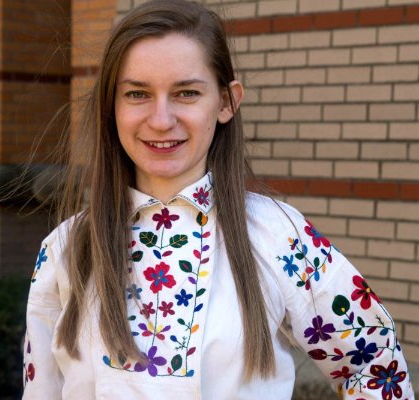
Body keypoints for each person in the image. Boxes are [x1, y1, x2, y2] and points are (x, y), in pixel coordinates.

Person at [21, 0, 414, 398]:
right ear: (112, 106)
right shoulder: (66, 250)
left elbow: (374, 364)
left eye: (186, 93)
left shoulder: (278, 235)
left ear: (226, 102)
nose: (161, 119)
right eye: (137, 94)